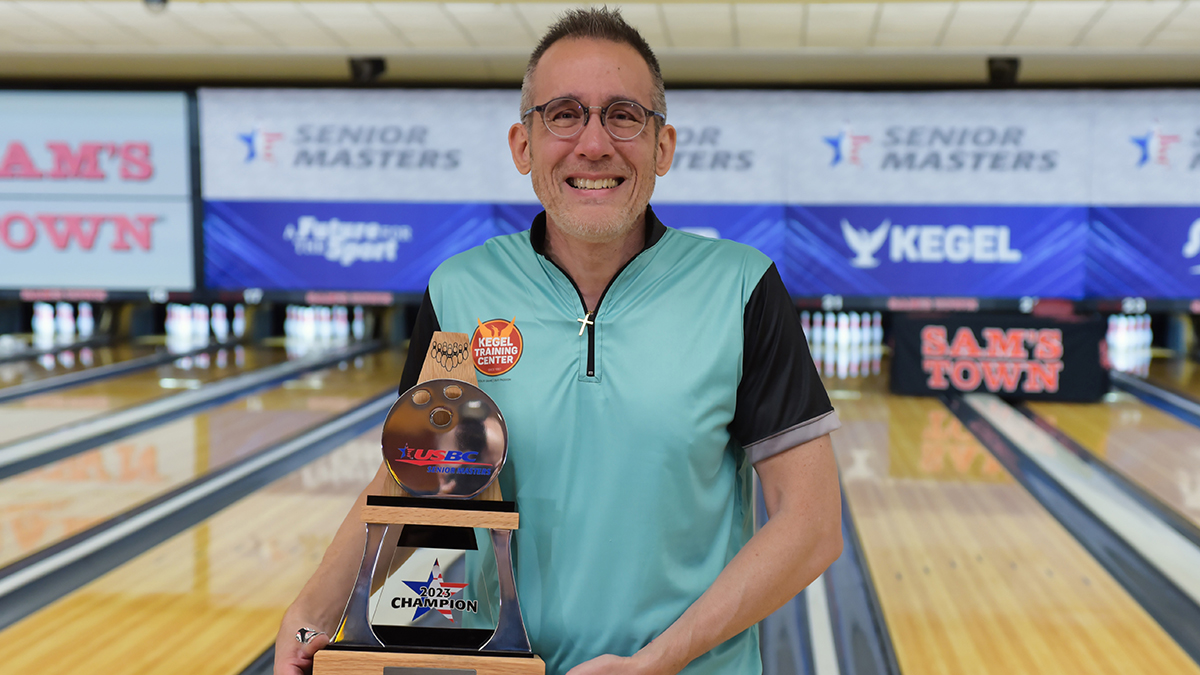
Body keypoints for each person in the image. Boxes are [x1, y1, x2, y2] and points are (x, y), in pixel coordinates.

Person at [275, 8, 842, 675]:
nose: (594, 144)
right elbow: (414, 468)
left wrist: (658, 660)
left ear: (664, 146)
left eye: (624, 115)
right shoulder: (461, 290)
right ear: (523, 145)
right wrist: (314, 604)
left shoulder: (741, 288)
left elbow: (811, 527)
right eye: (565, 114)